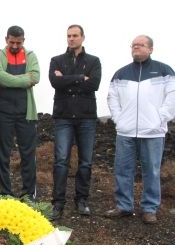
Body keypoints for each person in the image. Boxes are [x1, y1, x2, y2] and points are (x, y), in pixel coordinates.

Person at [105, 35, 175, 224]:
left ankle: (149, 208)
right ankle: (123, 205)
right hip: (125, 131)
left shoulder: (164, 72)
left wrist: (160, 119)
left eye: (140, 45)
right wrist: (119, 119)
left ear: (151, 49)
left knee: (151, 171)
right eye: (133, 45)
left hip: (153, 133)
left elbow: (173, 96)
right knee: (122, 169)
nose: (135, 48)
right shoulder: (121, 73)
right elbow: (112, 98)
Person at [48, 25, 102, 220]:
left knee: (85, 162)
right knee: (61, 161)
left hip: (86, 117)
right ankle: (58, 203)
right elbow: (55, 83)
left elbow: (93, 84)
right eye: (69, 36)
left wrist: (67, 79)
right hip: (63, 116)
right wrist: (80, 77)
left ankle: (82, 201)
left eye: (75, 36)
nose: (71, 39)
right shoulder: (56, 60)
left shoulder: (94, 61)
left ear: (82, 38)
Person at [0, 25, 40, 201]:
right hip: (3, 112)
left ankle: (28, 194)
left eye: (18, 43)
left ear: (23, 41)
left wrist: (8, 80)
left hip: (25, 113)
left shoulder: (31, 55)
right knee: (2, 154)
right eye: (11, 42)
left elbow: (36, 77)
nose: (14, 45)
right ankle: (6, 194)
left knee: (28, 154)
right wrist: (23, 80)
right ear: (6, 39)